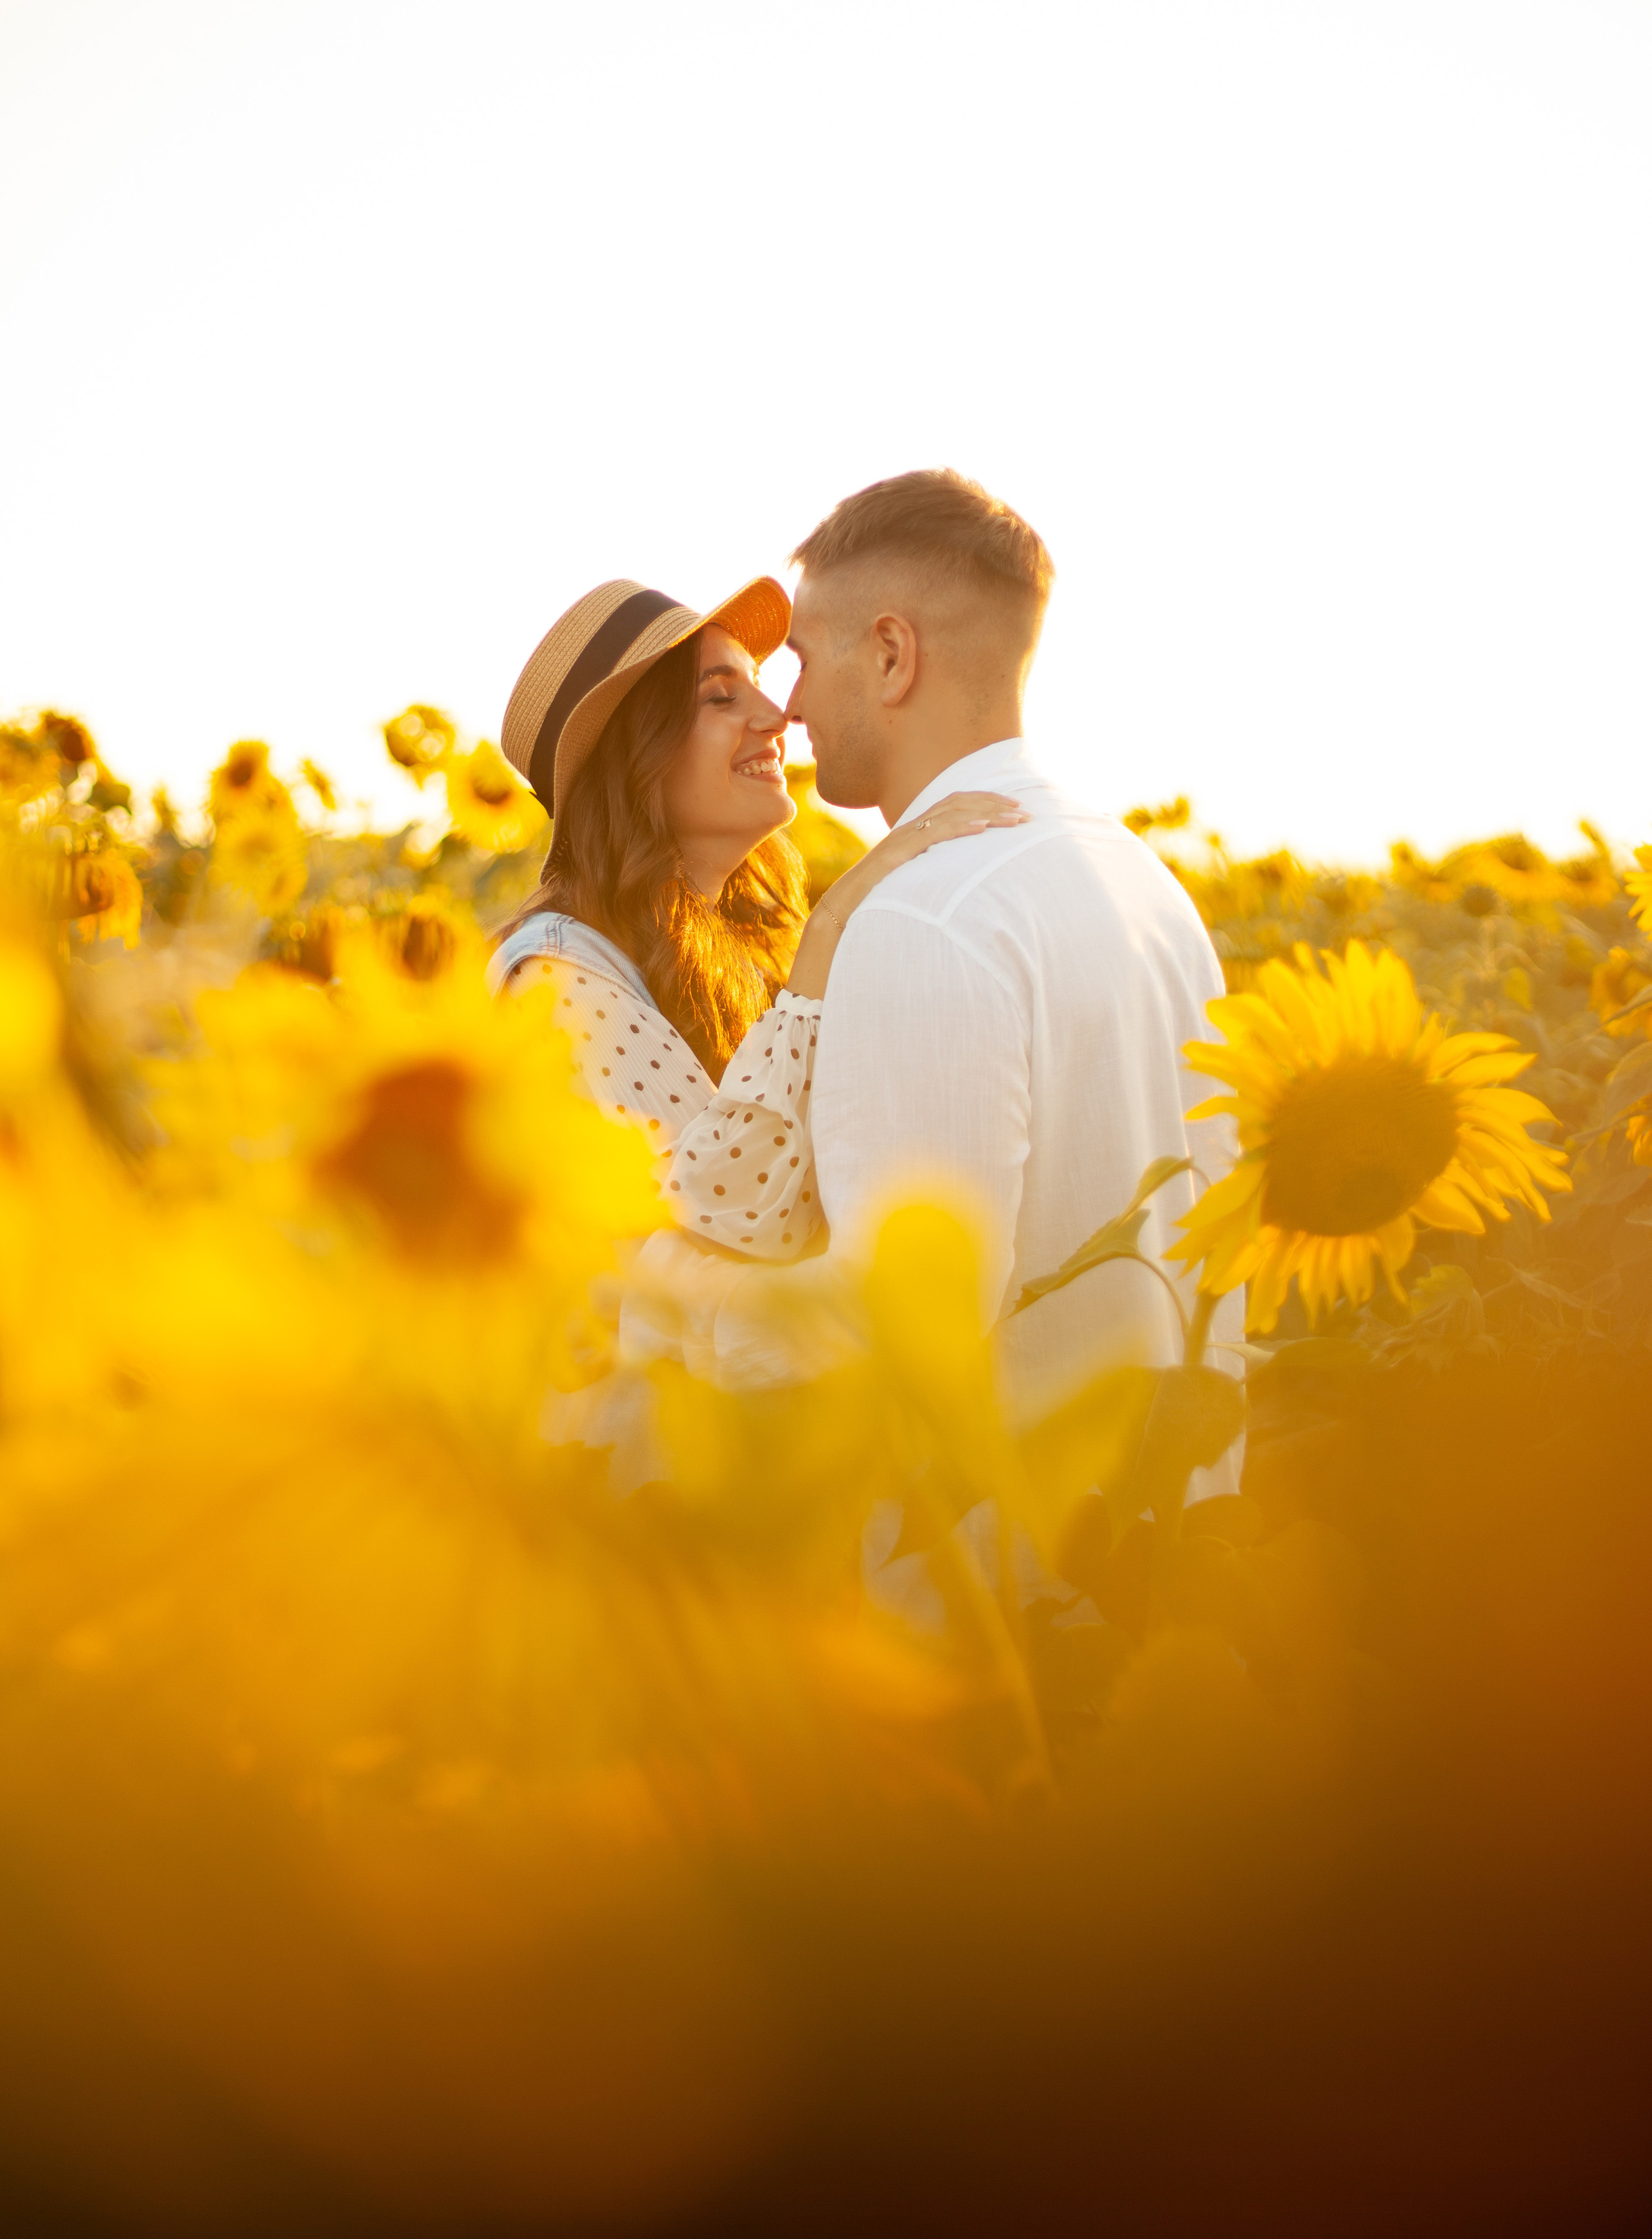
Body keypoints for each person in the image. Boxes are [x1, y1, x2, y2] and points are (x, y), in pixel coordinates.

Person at [622, 472, 1240, 1437]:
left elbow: (893, 1327)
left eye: (802, 659)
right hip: (1177, 1509)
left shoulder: (921, 918)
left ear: (891, 655)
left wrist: (654, 1281)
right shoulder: (1149, 886)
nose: (790, 707)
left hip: (1004, 1526)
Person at [489, 575, 1027, 1259]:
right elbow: (732, 1217)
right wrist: (835, 919)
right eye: (721, 696)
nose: (778, 716)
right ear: (636, 756)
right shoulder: (555, 978)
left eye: (759, 685)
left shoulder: (729, 945)